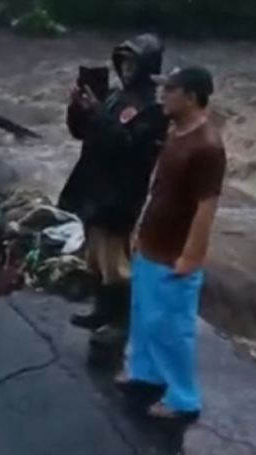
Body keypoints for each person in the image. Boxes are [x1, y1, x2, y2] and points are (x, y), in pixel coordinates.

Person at [122, 66, 226, 420]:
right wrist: (140, 231)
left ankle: (183, 400)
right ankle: (145, 375)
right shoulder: (177, 132)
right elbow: (160, 189)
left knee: (171, 328)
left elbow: (206, 206)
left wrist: (191, 256)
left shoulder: (207, 146)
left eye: (171, 90)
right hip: (152, 242)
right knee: (144, 316)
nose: (163, 95)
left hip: (173, 253)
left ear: (192, 97)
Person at [59, 34, 168, 354]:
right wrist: (79, 110)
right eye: (125, 61)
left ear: (147, 67)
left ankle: (121, 324)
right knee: (95, 258)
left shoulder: (153, 111)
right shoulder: (115, 97)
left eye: (135, 62)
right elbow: (85, 132)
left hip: (119, 196)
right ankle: (101, 312)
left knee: (115, 264)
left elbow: (130, 148)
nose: (128, 68)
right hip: (94, 188)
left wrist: (99, 114)